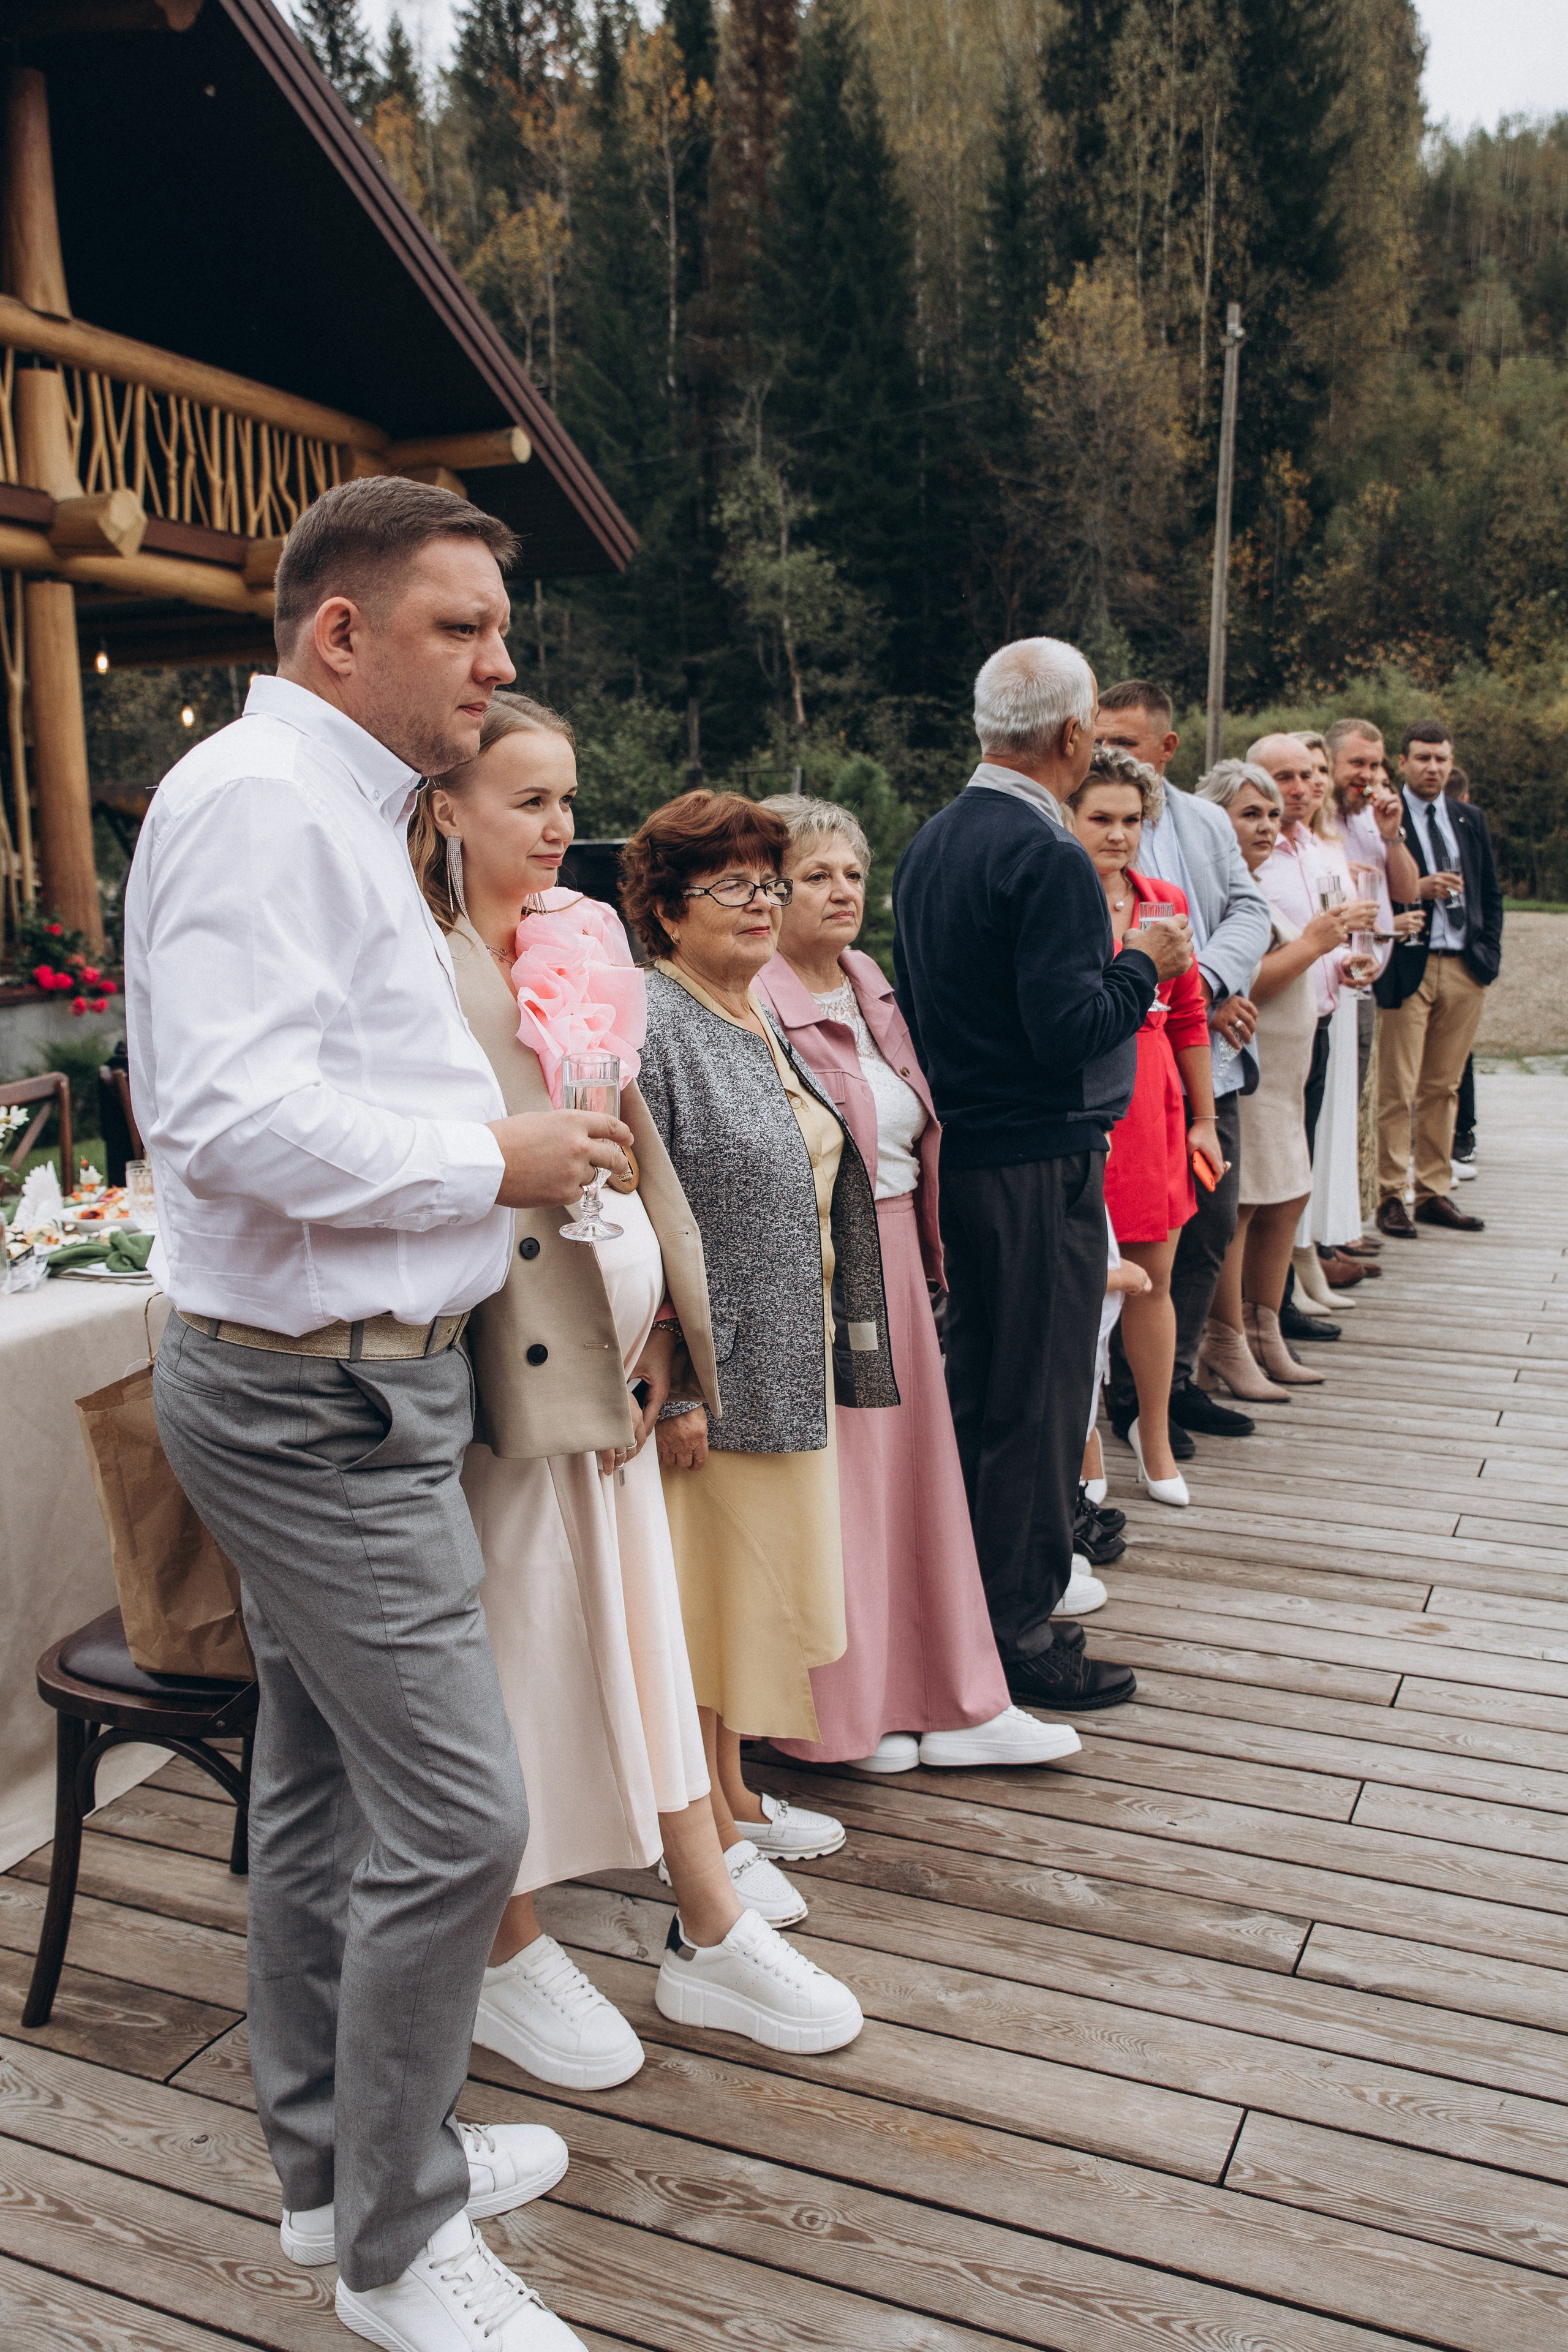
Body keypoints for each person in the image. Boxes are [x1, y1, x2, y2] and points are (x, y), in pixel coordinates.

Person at [129, 479, 631, 2349]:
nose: (502, 664)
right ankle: (393, 2239)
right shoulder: (265, 808)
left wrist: (493, 1162)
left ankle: (337, 2163)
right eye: (463, 627)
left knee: (330, 1794)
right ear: (339, 633)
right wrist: (490, 1150)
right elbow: (230, 1123)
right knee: (459, 1809)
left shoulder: (332, 807)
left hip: (351, 1385)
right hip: (309, 1399)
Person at [408, 696, 864, 2084]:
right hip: (502, 1384)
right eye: (526, 799)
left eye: (567, 798)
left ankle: (705, 1913)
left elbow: (633, 1155)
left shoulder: (571, 946)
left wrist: (661, 1323)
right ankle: (509, 1941)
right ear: (444, 808)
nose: (559, 827)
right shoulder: (423, 967)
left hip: (610, 1365)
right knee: (520, 1654)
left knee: (634, 1637)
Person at [754, 793, 1087, 1772]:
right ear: (769, 893)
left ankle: (948, 1693)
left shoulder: (869, 982)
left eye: (853, 873)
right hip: (822, 1260)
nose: (841, 891)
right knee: (848, 1493)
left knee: (915, 1486)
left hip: (900, 1253)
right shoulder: (760, 1000)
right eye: (815, 875)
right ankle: (846, 1713)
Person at [892, 637, 1193, 1711]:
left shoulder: (931, 842)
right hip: (1036, 1157)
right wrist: (1142, 964)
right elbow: (1069, 1029)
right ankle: (1017, 1636)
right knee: (1039, 1398)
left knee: (985, 1394)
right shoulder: (1049, 854)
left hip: (961, 1154)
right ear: (1073, 737)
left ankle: (969, 1611)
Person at [624, 792, 897, 1875]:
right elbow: (647, 1213)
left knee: (755, 1597)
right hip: (715, 1377)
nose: (761, 903)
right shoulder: (655, 1017)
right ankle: (704, 1822)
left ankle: (736, 1787)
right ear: (663, 908)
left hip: (786, 1355)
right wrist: (679, 1385)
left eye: (767, 882)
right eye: (730, 884)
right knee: (707, 1603)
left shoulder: (750, 1007)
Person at [1095, 681, 1272, 1450]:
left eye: (1128, 743)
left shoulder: (1203, 822)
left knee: (1206, 1226)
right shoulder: (1075, 839)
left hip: (1193, 1061)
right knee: (1114, 1245)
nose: (1110, 753)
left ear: (1166, 750)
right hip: (1114, 1072)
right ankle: (1113, 1407)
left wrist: (1202, 980)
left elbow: (1248, 909)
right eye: (1102, 738)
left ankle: (1169, 1387)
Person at [1068, 745, 1218, 1507]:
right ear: (1069, 816)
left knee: (1153, 1279)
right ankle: (1085, 1436)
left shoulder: (1163, 901)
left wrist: (1206, 1120)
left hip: (1154, 1100)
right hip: (1086, 1094)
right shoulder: (1060, 902)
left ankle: (1151, 1433)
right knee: (1082, 1280)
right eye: (1100, 818)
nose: (1118, 834)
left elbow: (1192, 1018)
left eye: (1131, 820)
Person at [1194, 760, 1360, 1395]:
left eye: (1270, 814)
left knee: (1288, 1195)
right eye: (1250, 814)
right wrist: (1315, 943)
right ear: (1215, 821)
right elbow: (1238, 980)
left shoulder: (1258, 886)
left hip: (1290, 1072)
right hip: (1249, 1070)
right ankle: (1227, 1341)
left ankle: (1267, 1332)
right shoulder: (1222, 897)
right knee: (1244, 1208)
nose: (1267, 825)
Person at [1246, 733, 1378, 1346]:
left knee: (1298, 1168)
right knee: (1262, 1181)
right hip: (1263, 1034)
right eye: (1283, 779)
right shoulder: (1253, 855)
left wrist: (1351, 963)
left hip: (1318, 1021)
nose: (1299, 789)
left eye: (1306, 776)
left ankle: (1283, 1292)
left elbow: (1331, 937)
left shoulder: (1315, 849)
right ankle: (1258, 1310)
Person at [1374, 721, 1504, 1236]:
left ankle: (1433, 1190)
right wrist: (1417, 888)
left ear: (1452, 764)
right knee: (1396, 1087)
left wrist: (1486, 958)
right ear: (1403, 762)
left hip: (1464, 966)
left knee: (1442, 1087)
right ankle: (1390, 1195)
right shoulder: (1385, 816)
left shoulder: (1469, 818)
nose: (1434, 767)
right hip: (1410, 962)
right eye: (1424, 758)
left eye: (1442, 759)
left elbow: (1490, 895)